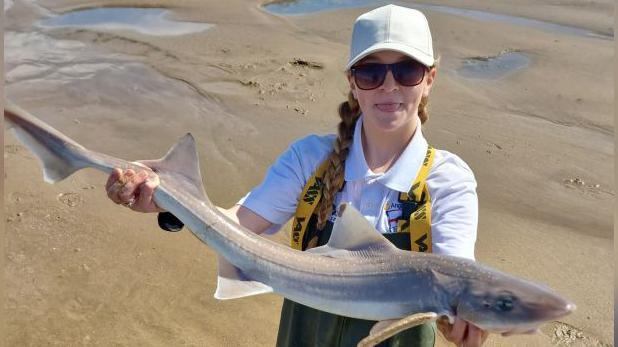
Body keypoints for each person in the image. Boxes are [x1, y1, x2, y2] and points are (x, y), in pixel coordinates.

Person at [106, 4, 488, 347]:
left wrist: (461, 324)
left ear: (430, 79)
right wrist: (168, 201)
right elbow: (237, 227)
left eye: (407, 70)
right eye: (371, 72)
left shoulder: (448, 181)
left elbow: (456, 288)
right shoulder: (311, 159)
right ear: (352, 83)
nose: (389, 85)